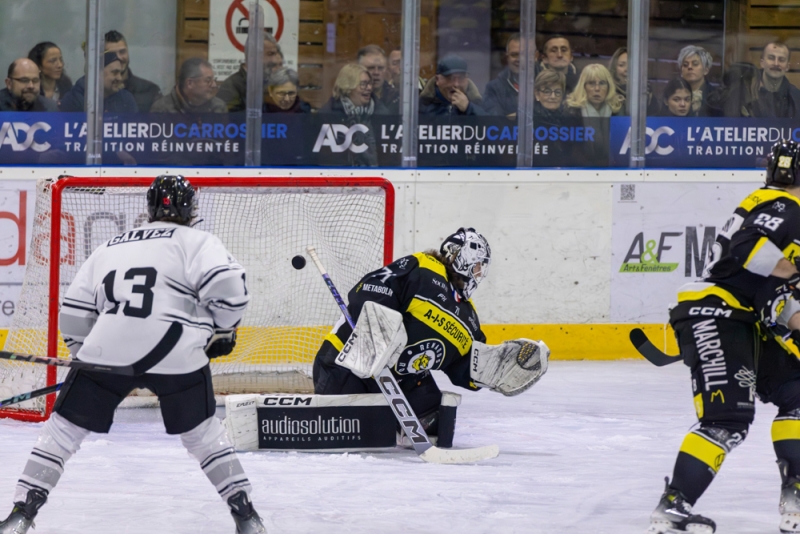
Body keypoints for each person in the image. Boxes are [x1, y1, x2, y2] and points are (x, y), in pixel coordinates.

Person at [0, 175, 266, 534]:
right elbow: (232, 292)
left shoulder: (109, 246)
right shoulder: (199, 241)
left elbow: (74, 314)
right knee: (204, 435)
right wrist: (221, 330)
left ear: (150, 206)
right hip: (176, 352)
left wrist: (87, 361)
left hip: (105, 350)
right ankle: (246, 516)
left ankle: (21, 514)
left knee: (62, 432)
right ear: (189, 209)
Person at [645, 140, 800, 534]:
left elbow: (775, 294)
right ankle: (674, 505)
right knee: (726, 419)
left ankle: (795, 497)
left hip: (743, 317)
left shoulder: (778, 208)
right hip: (718, 312)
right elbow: (747, 249)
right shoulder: (786, 205)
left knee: (797, 394)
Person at [314, 228, 546, 442]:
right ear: (462, 257)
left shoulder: (469, 317)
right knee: (344, 430)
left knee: (439, 427)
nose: (479, 274)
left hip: (398, 381)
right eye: (477, 266)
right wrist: (381, 328)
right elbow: (370, 288)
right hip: (346, 363)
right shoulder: (424, 267)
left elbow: (467, 365)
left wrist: (496, 368)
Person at [217, 32, 284, 113]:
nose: (274, 59)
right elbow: (231, 120)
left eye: (275, 53)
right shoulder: (230, 86)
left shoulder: (271, 82)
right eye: (270, 54)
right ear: (253, 56)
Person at [104, 30, 162, 112]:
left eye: (122, 52)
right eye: (112, 54)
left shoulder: (150, 91)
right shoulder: (97, 93)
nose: (119, 58)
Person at [59, 51, 137, 113]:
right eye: (115, 72)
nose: (119, 78)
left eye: (120, 73)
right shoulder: (74, 100)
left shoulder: (126, 99)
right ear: (97, 73)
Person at [484, 33, 537, 118]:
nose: (519, 59)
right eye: (514, 55)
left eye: (525, 55)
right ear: (507, 57)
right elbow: (494, 123)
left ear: (535, 56)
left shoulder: (548, 83)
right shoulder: (493, 88)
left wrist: (512, 117)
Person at [150, 58, 226, 114]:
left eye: (213, 80)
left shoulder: (218, 107)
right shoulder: (162, 109)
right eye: (208, 80)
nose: (214, 85)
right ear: (190, 83)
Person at [419, 54, 487, 116]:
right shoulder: (422, 105)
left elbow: (491, 127)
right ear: (437, 79)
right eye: (450, 78)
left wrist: (468, 108)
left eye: (461, 78)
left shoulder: (480, 103)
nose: (456, 84)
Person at [749, 42, 800, 119]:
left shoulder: (796, 98)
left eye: (781, 59)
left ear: (787, 66)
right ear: (762, 63)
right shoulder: (744, 92)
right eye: (771, 58)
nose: (776, 63)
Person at [357, 44, 399, 113]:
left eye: (380, 68)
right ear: (358, 69)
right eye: (370, 68)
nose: (376, 72)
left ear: (386, 69)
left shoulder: (397, 98)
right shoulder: (350, 98)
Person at [678, 45, 714, 117]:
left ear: (706, 70)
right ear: (681, 71)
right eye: (685, 65)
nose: (690, 67)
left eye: (695, 64)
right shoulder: (673, 93)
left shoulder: (715, 96)